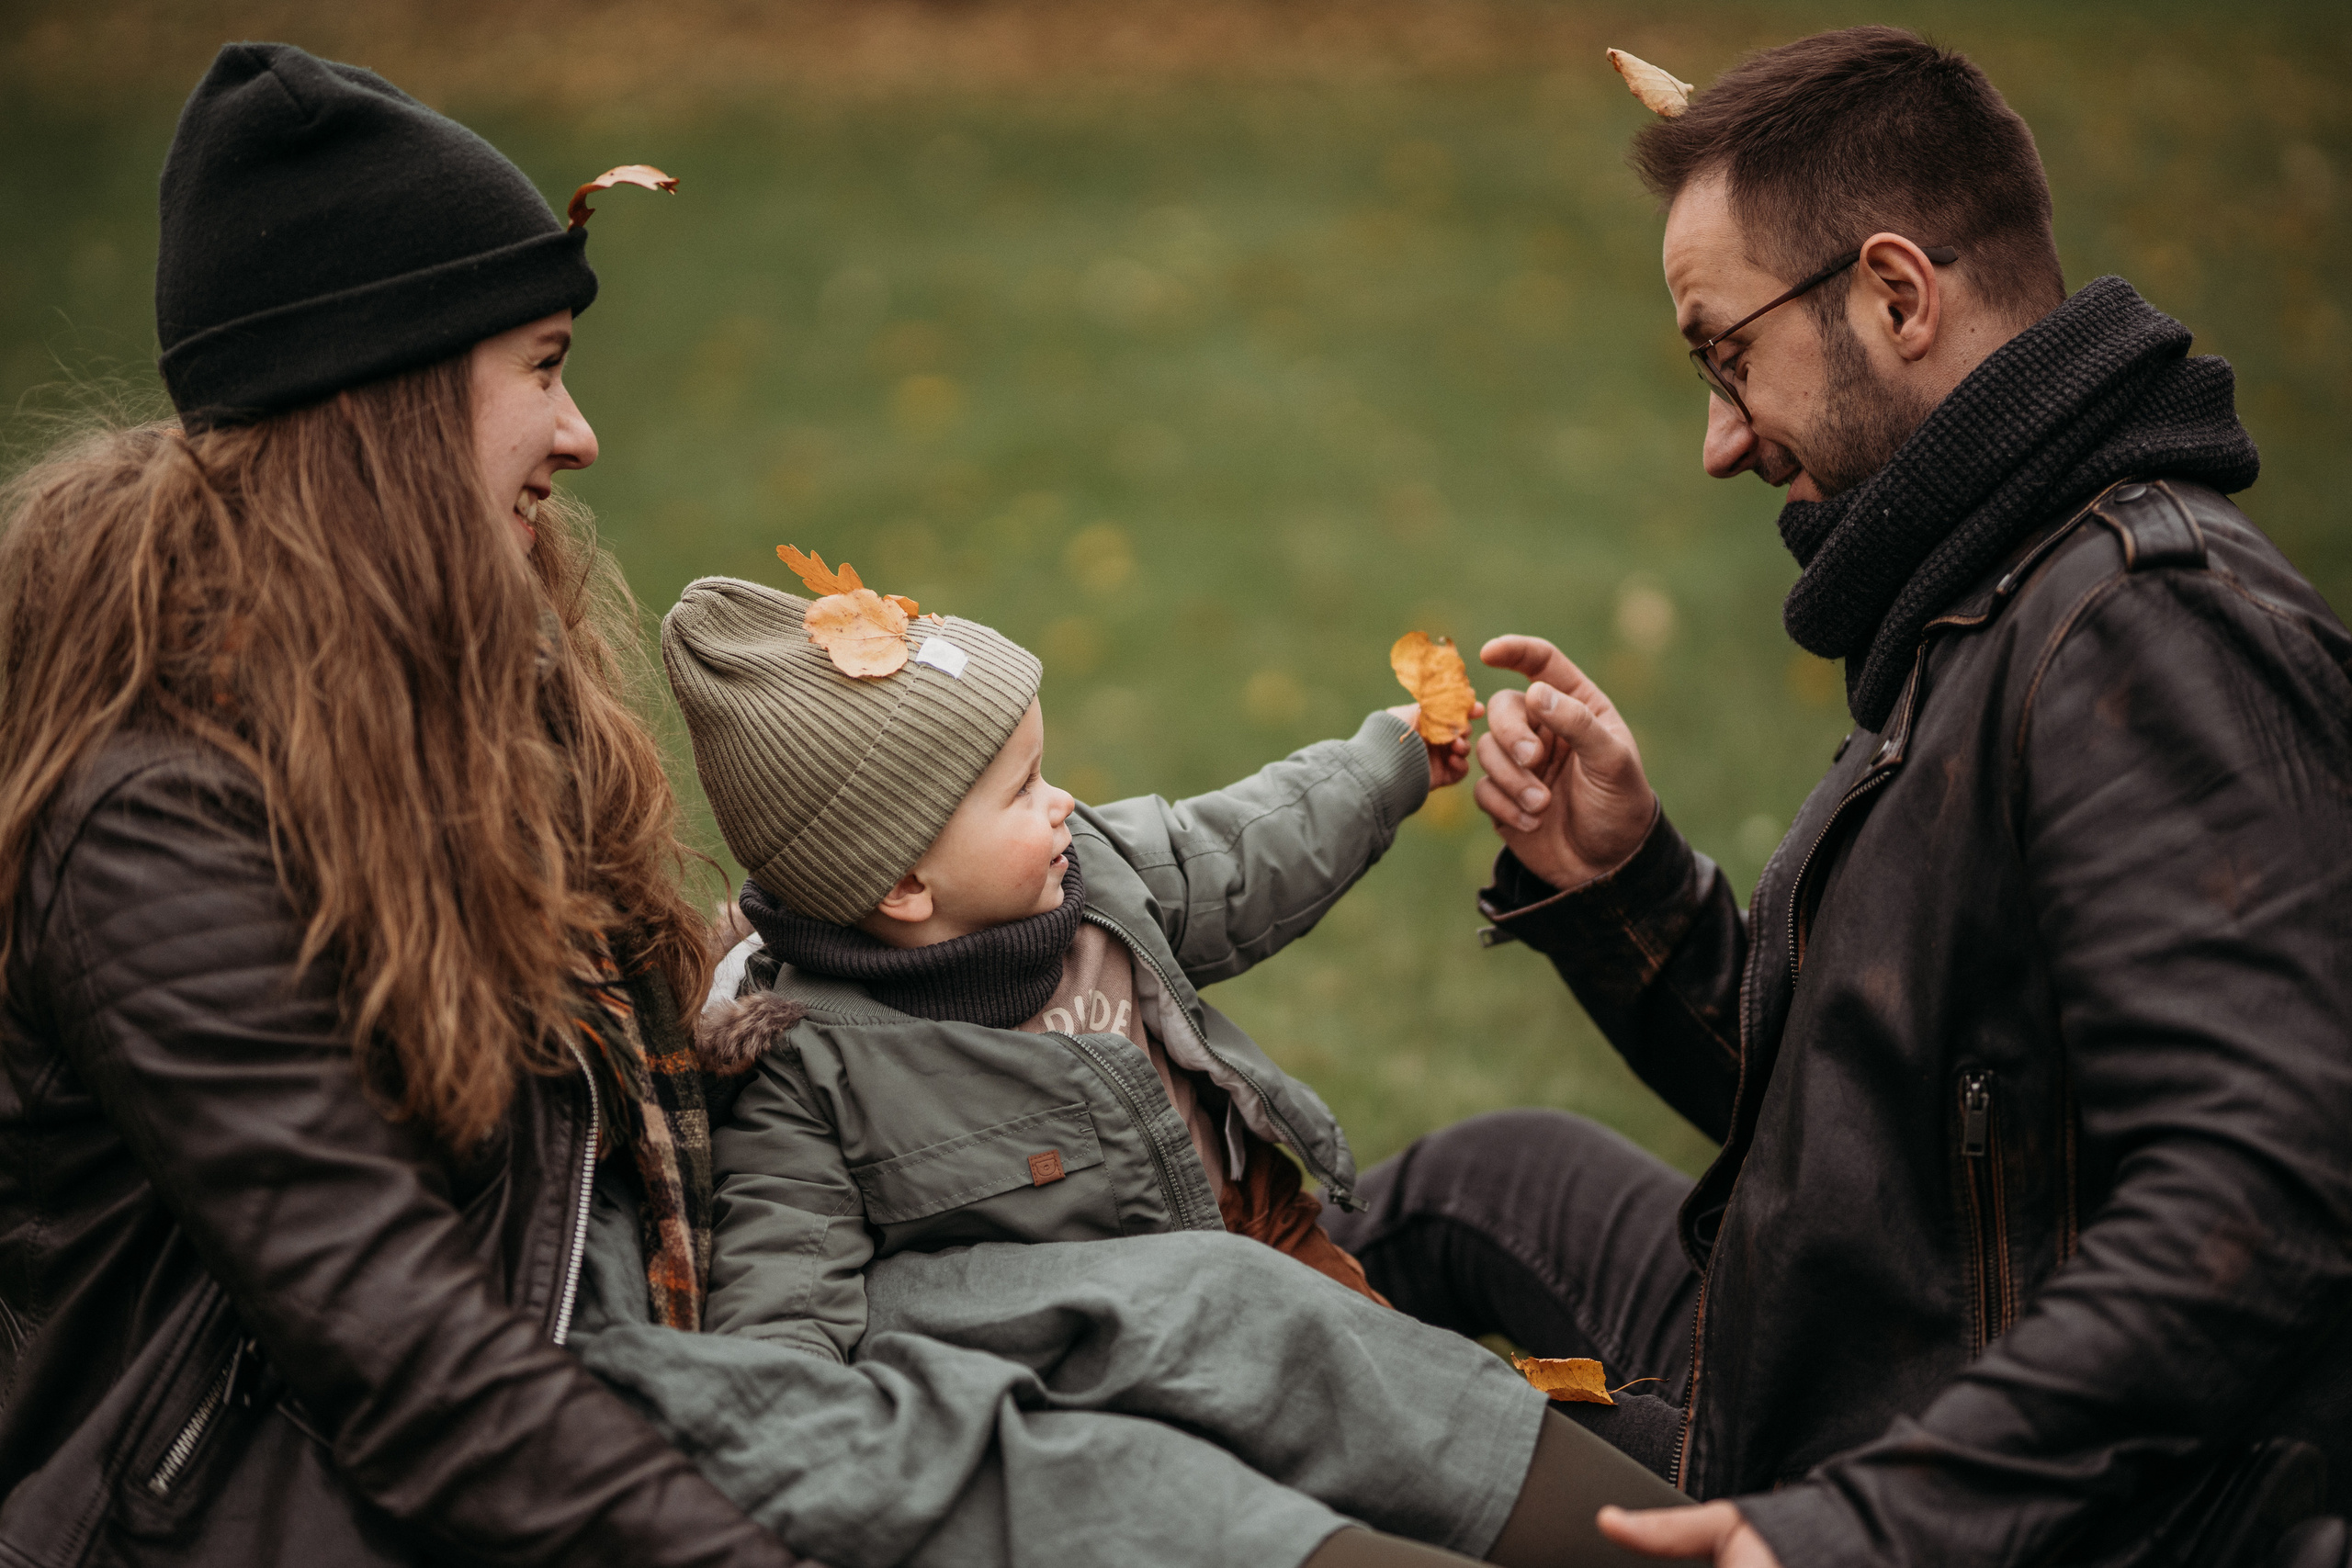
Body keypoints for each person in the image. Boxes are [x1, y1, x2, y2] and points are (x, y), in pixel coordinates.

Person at [1323, 26, 2352, 1568]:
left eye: (1727, 355)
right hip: (1866, 1358)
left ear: (1896, 293)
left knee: (1307, 1467)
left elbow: (2268, 1196)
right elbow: (1904, 1113)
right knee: (1477, 1182)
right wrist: (1628, 892)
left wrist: (1860, 1524)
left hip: (1938, 1475)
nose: (1721, 440)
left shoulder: (2143, 631)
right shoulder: (1993, 591)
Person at [0, 41, 808, 1567]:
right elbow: (412, 1353)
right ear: (388, 405)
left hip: (611, 1420)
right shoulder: (153, 827)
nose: (579, 441)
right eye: (546, 369)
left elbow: (611, 1170)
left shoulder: (482, 704)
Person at [639, 574, 1685, 1566]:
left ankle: (1611, 1491)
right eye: (1021, 791)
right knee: (1266, 1501)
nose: (1061, 804)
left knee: (1408, 1406)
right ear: (906, 880)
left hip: (1261, 1236)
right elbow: (785, 1305)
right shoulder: (807, 1070)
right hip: (1109, 1358)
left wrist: (1394, 759)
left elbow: (1240, 851)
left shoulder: (1088, 879)